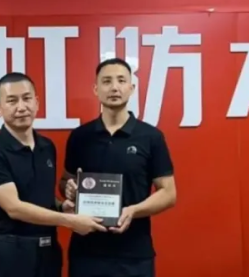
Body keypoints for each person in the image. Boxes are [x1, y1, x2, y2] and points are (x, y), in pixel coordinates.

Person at [0, 72, 108, 277]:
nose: (21, 107)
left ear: (37, 103)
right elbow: (14, 208)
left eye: (27, 98)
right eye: (12, 101)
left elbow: (40, 194)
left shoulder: (47, 147)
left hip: (48, 251)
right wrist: (69, 220)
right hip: (10, 253)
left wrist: (62, 206)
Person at [60, 58, 177, 277]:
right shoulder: (80, 137)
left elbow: (169, 193)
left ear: (131, 88)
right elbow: (66, 180)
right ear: (96, 89)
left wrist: (133, 211)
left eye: (121, 81)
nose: (114, 87)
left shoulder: (151, 137)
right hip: (86, 254)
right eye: (107, 81)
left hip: (134, 255)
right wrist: (69, 189)